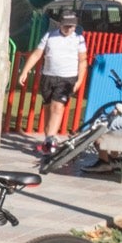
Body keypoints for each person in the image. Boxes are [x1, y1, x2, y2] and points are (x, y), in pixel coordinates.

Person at [18, 10, 89, 156]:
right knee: (48, 108)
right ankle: (48, 138)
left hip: (67, 78)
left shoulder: (79, 39)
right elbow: (37, 53)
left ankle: (50, 140)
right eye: (66, 26)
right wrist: (25, 71)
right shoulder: (50, 36)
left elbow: (83, 61)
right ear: (60, 24)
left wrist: (80, 80)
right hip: (48, 77)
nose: (69, 29)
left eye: (72, 26)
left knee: (58, 107)